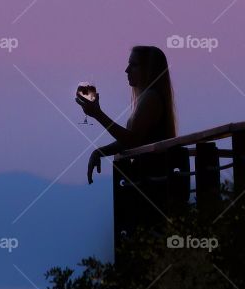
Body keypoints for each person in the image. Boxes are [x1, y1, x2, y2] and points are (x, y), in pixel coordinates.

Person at [75, 45, 178, 185]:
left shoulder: (151, 98)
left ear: (148, 69)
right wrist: (100, 152)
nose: (126, 70)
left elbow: (132, 140)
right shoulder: (149, 97)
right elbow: (132, 139)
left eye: (134, 65)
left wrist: (97, 114)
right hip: (149, 178)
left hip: (151, 181)